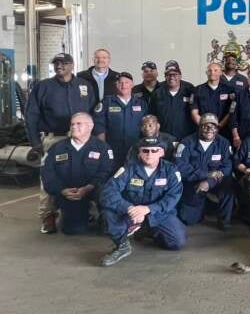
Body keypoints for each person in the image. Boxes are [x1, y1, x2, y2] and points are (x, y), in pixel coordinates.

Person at [25, 52, 98, 233]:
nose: (59, 66)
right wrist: (35, 142)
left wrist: (92, 137)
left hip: (81, 139)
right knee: (49, 177)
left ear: (72, 65)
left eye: (64, 63)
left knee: (84, 174)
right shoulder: (43, 87)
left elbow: (92, 112)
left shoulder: (84, 86)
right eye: (56, 63)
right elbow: (31, 115)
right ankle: (48, 216)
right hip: (54, 139)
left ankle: (84, 211)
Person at [99, 137, 186, 266]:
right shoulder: (128, 169)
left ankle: (147, 231)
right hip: (131, 212)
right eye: (145, 150)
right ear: (139, 152)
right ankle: (121, 245)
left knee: (177, 242)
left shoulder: (171, 170)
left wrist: (147, 209)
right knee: (108, 212)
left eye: (154, 150)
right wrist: (128, 208)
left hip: (158, 213)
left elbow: (173, 197)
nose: (149, 154)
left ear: (162, 152)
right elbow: (108, 192)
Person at [40, 113, 114, 234]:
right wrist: (62, 190)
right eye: (72, 124)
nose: (74, 127)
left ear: (90, 126)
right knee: (74, 230)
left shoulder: (103, 148)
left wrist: (89, 187)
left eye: (79, 124)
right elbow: (47, 174)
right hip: (68, 193)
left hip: (93, 190)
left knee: (107, 195)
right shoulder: (57, 148)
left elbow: (107, 172)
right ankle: (79, 215)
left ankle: (104, 216)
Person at [175, 114, 236, 230]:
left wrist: (209, 181)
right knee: (188, 219)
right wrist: (204, 175)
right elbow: (180, 166)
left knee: (228, 185)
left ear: (217, 129)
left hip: (216, 181)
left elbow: (227, 167)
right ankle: (206, 205)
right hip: (193, 182)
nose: (209, 130)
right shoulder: (186, 142)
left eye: (213, 127)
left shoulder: (223, 143)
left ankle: (224, 221)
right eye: (205, 126)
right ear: (199, 127)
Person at [95, 72, 148, 166]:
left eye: (126, 82)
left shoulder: (140, 103)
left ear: (132, 84)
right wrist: (103, 147)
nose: (123, 85)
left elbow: (146, 126)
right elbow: (99, 125)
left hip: (135, 148)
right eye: (120, 82)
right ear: (116, 84)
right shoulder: (107, 102)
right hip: (112, 148)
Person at [149, 63, 195, 140]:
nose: (171, 77)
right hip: (163, 138)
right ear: (165, 77)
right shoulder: (157, 93)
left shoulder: (190, 90)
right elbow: (152, 115)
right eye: (168, 75)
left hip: (186, 138)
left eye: (175, 74)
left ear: (180, 76)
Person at [191, 62, 234, 129]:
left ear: (221, 73)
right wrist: (205, 127)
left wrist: (220, 125)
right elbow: (194, 112)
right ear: (206, 73)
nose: (212, 73)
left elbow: (231, 112)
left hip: (223, 130)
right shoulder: (198, 90)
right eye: (209, 71)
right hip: (203, 130)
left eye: (215, 70)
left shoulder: (229, 90)